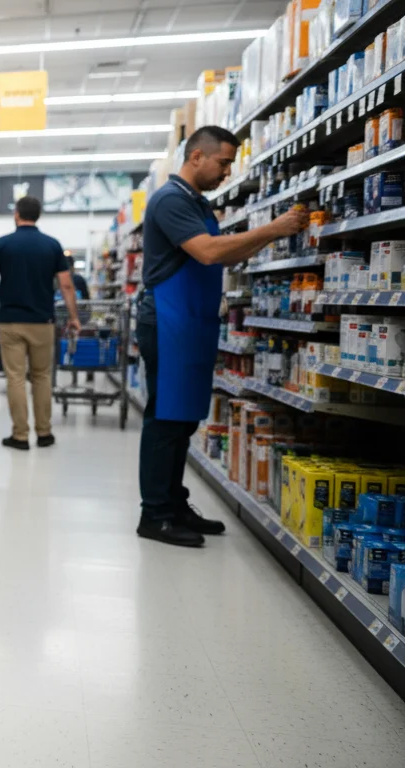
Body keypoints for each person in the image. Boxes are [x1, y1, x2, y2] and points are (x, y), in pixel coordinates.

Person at [136, 125, 307, 547]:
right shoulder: (171, 200)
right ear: (196, 156)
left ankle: (175, 504)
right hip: (169, 320)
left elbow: (226, 250)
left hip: (191, 321)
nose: (227, 172)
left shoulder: (197, 204)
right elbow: (209, 252)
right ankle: (154, 514)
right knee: (165, 417)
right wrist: (272, 229)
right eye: (224, 162)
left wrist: (266, 238)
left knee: (185, 418)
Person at [0, 196, 81, 450]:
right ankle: (44, 433)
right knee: (42, 376)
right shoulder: (52, 245)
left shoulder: (2, 244)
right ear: (38, 215)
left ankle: (20, 435)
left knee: (14, 377)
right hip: (43, 321)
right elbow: (67, 285)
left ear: (16, 214)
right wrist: (74, 317)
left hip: (11, 322)